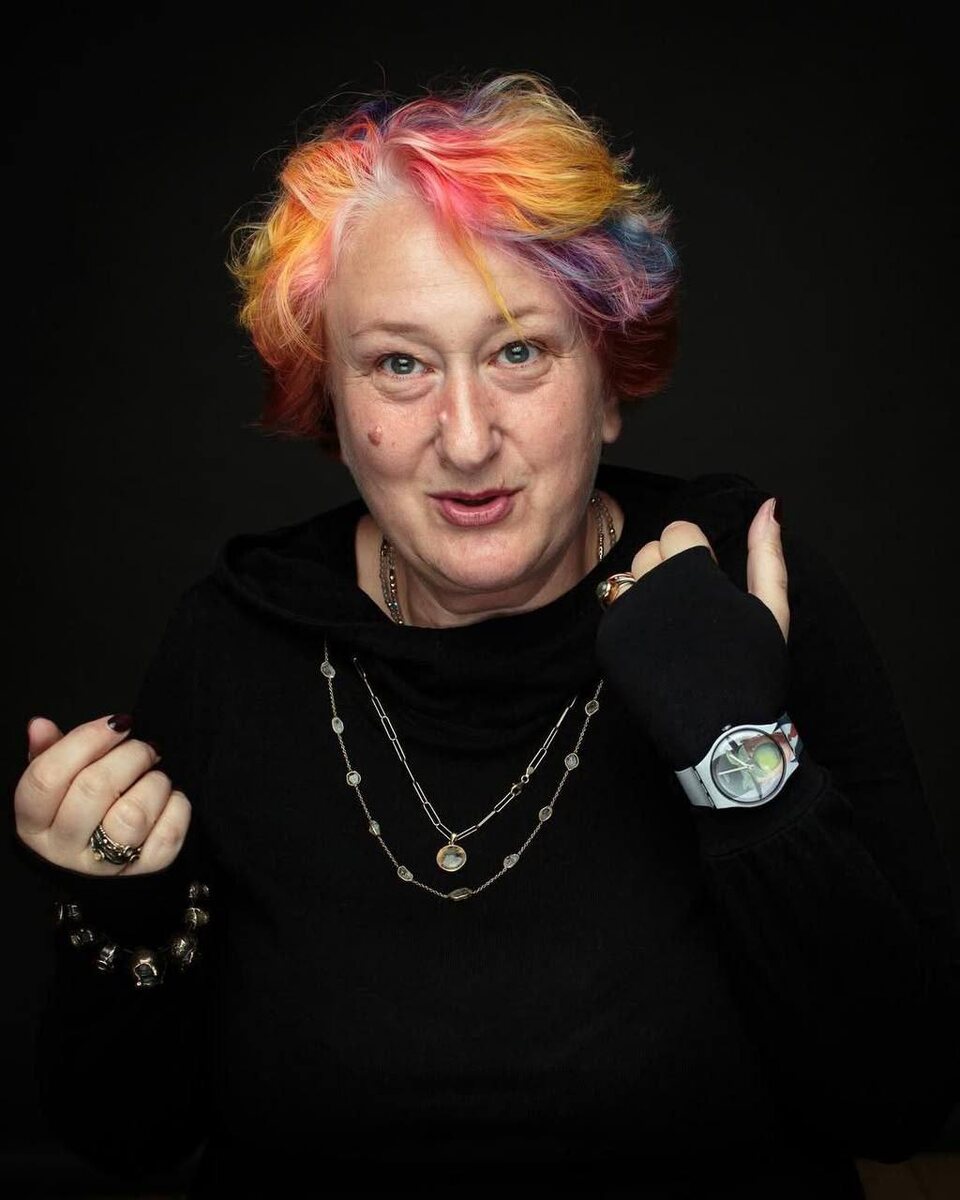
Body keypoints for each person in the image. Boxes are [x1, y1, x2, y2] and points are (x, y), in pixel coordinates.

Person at [10, 71, 959, 1199]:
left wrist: (736, 756)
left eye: (518, 351)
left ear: (609, 380)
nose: (465, 440)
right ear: (331, 405)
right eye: (400, 364)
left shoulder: (746, 589)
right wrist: (121, 905)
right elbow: (126, 1138)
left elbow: (901, 1099)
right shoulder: (236, 641)